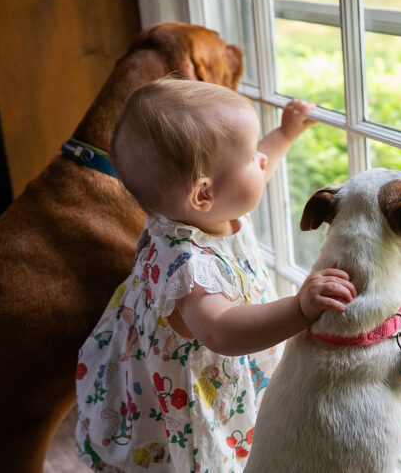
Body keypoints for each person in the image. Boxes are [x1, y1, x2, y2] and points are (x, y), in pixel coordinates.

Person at [74, 78, 356, 472]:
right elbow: (221, 330)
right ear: (203, 193)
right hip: (190, 393)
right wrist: (299, 307)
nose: (261, 159)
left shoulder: (197, 211)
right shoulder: (188, 267)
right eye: (250, 155)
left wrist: (284, 134)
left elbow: (254, 172)